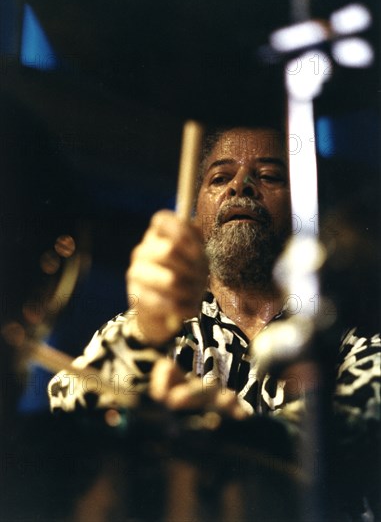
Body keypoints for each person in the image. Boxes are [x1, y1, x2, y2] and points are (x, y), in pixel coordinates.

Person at [48, 126, 380, 517]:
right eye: (220, 177)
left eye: (270, 176)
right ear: (196, 213)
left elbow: (355, 430)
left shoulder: (347, 336)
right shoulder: (155, 331)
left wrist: (233, 438)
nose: (241, 186)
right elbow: (66, 424)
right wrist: (144, 331)